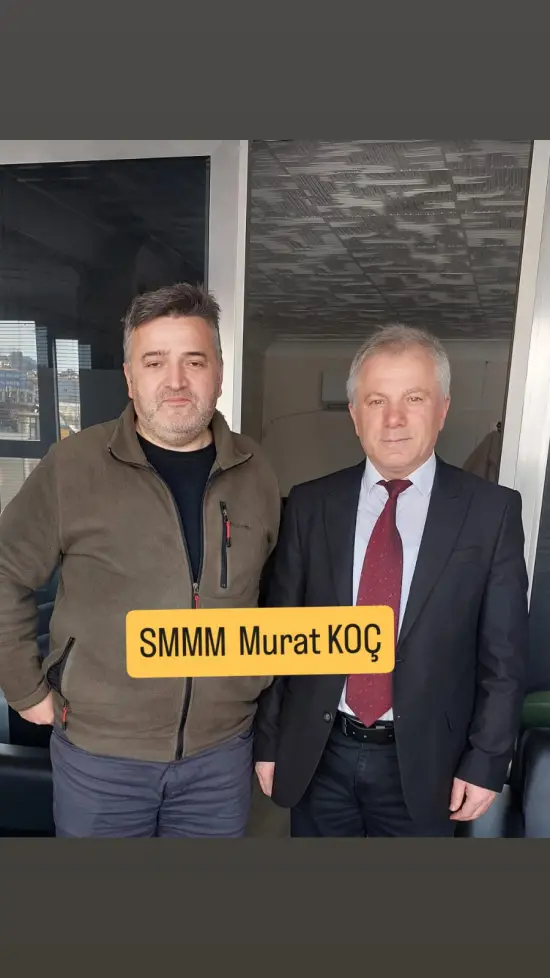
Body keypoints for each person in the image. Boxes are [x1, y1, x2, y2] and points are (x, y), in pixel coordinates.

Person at [0, 282, 280, 838]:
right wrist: (25, 691)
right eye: (154, 362)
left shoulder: (257, 470)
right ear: (130, 377)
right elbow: (5, 573)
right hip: (100, 758)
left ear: (219, 372)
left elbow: (273, 594)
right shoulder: (73, 465)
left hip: (221, 756)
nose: (175, 381)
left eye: (193, 361)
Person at [254, 324, 528, 837]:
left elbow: (504, 658)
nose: (394, 418)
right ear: (355, 414)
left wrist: (487, 759)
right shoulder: (311, 505)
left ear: (443, 408)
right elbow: (279, 634)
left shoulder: (491, 513)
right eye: (376, 400)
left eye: (414, 398)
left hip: (430, 763)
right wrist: (268, 743)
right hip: (318, 755)